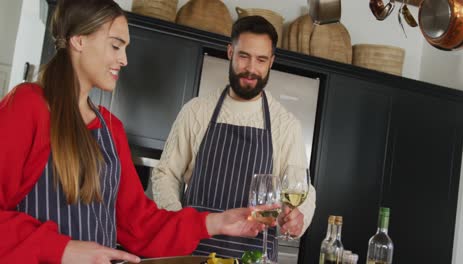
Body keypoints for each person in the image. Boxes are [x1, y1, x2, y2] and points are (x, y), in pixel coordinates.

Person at [0, 1, 270, 263]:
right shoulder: (29, 106)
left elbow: (139, 224)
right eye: (116, 45)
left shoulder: (110, 129)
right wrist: (62, 250)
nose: (124, 59)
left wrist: (216, 221)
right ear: (79, 40)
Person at [152, 15, 316, 260]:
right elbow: (166, 174)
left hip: (253, 256)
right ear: (230, 52)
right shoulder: (196, 111)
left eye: (261, 59)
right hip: (193, 254)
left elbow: (303, 190)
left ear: (271, 61)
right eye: (244, 56)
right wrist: (179, 224)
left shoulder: (286, 125)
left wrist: (298, 216)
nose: (251, 68)